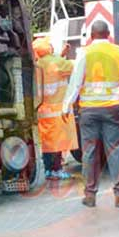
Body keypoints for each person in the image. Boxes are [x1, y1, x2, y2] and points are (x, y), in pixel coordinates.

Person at [62, 20, 119, 208]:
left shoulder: (84, 53)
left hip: (89, 111)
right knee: (115, 151)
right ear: (108, 34)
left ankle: (90, 195)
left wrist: (66, 106)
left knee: (90, 152)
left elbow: (75, 83)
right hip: (113, 108)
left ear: (92, 36)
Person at [32, 37, 78, 180]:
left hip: (43, 111)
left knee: (47, 143)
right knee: (58, 143)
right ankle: (57, 170)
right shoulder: (58, 62)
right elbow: (74, 67)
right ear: (49, 48)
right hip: (58, 111)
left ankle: (48, 170)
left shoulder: (37, 65)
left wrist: (61, 54)